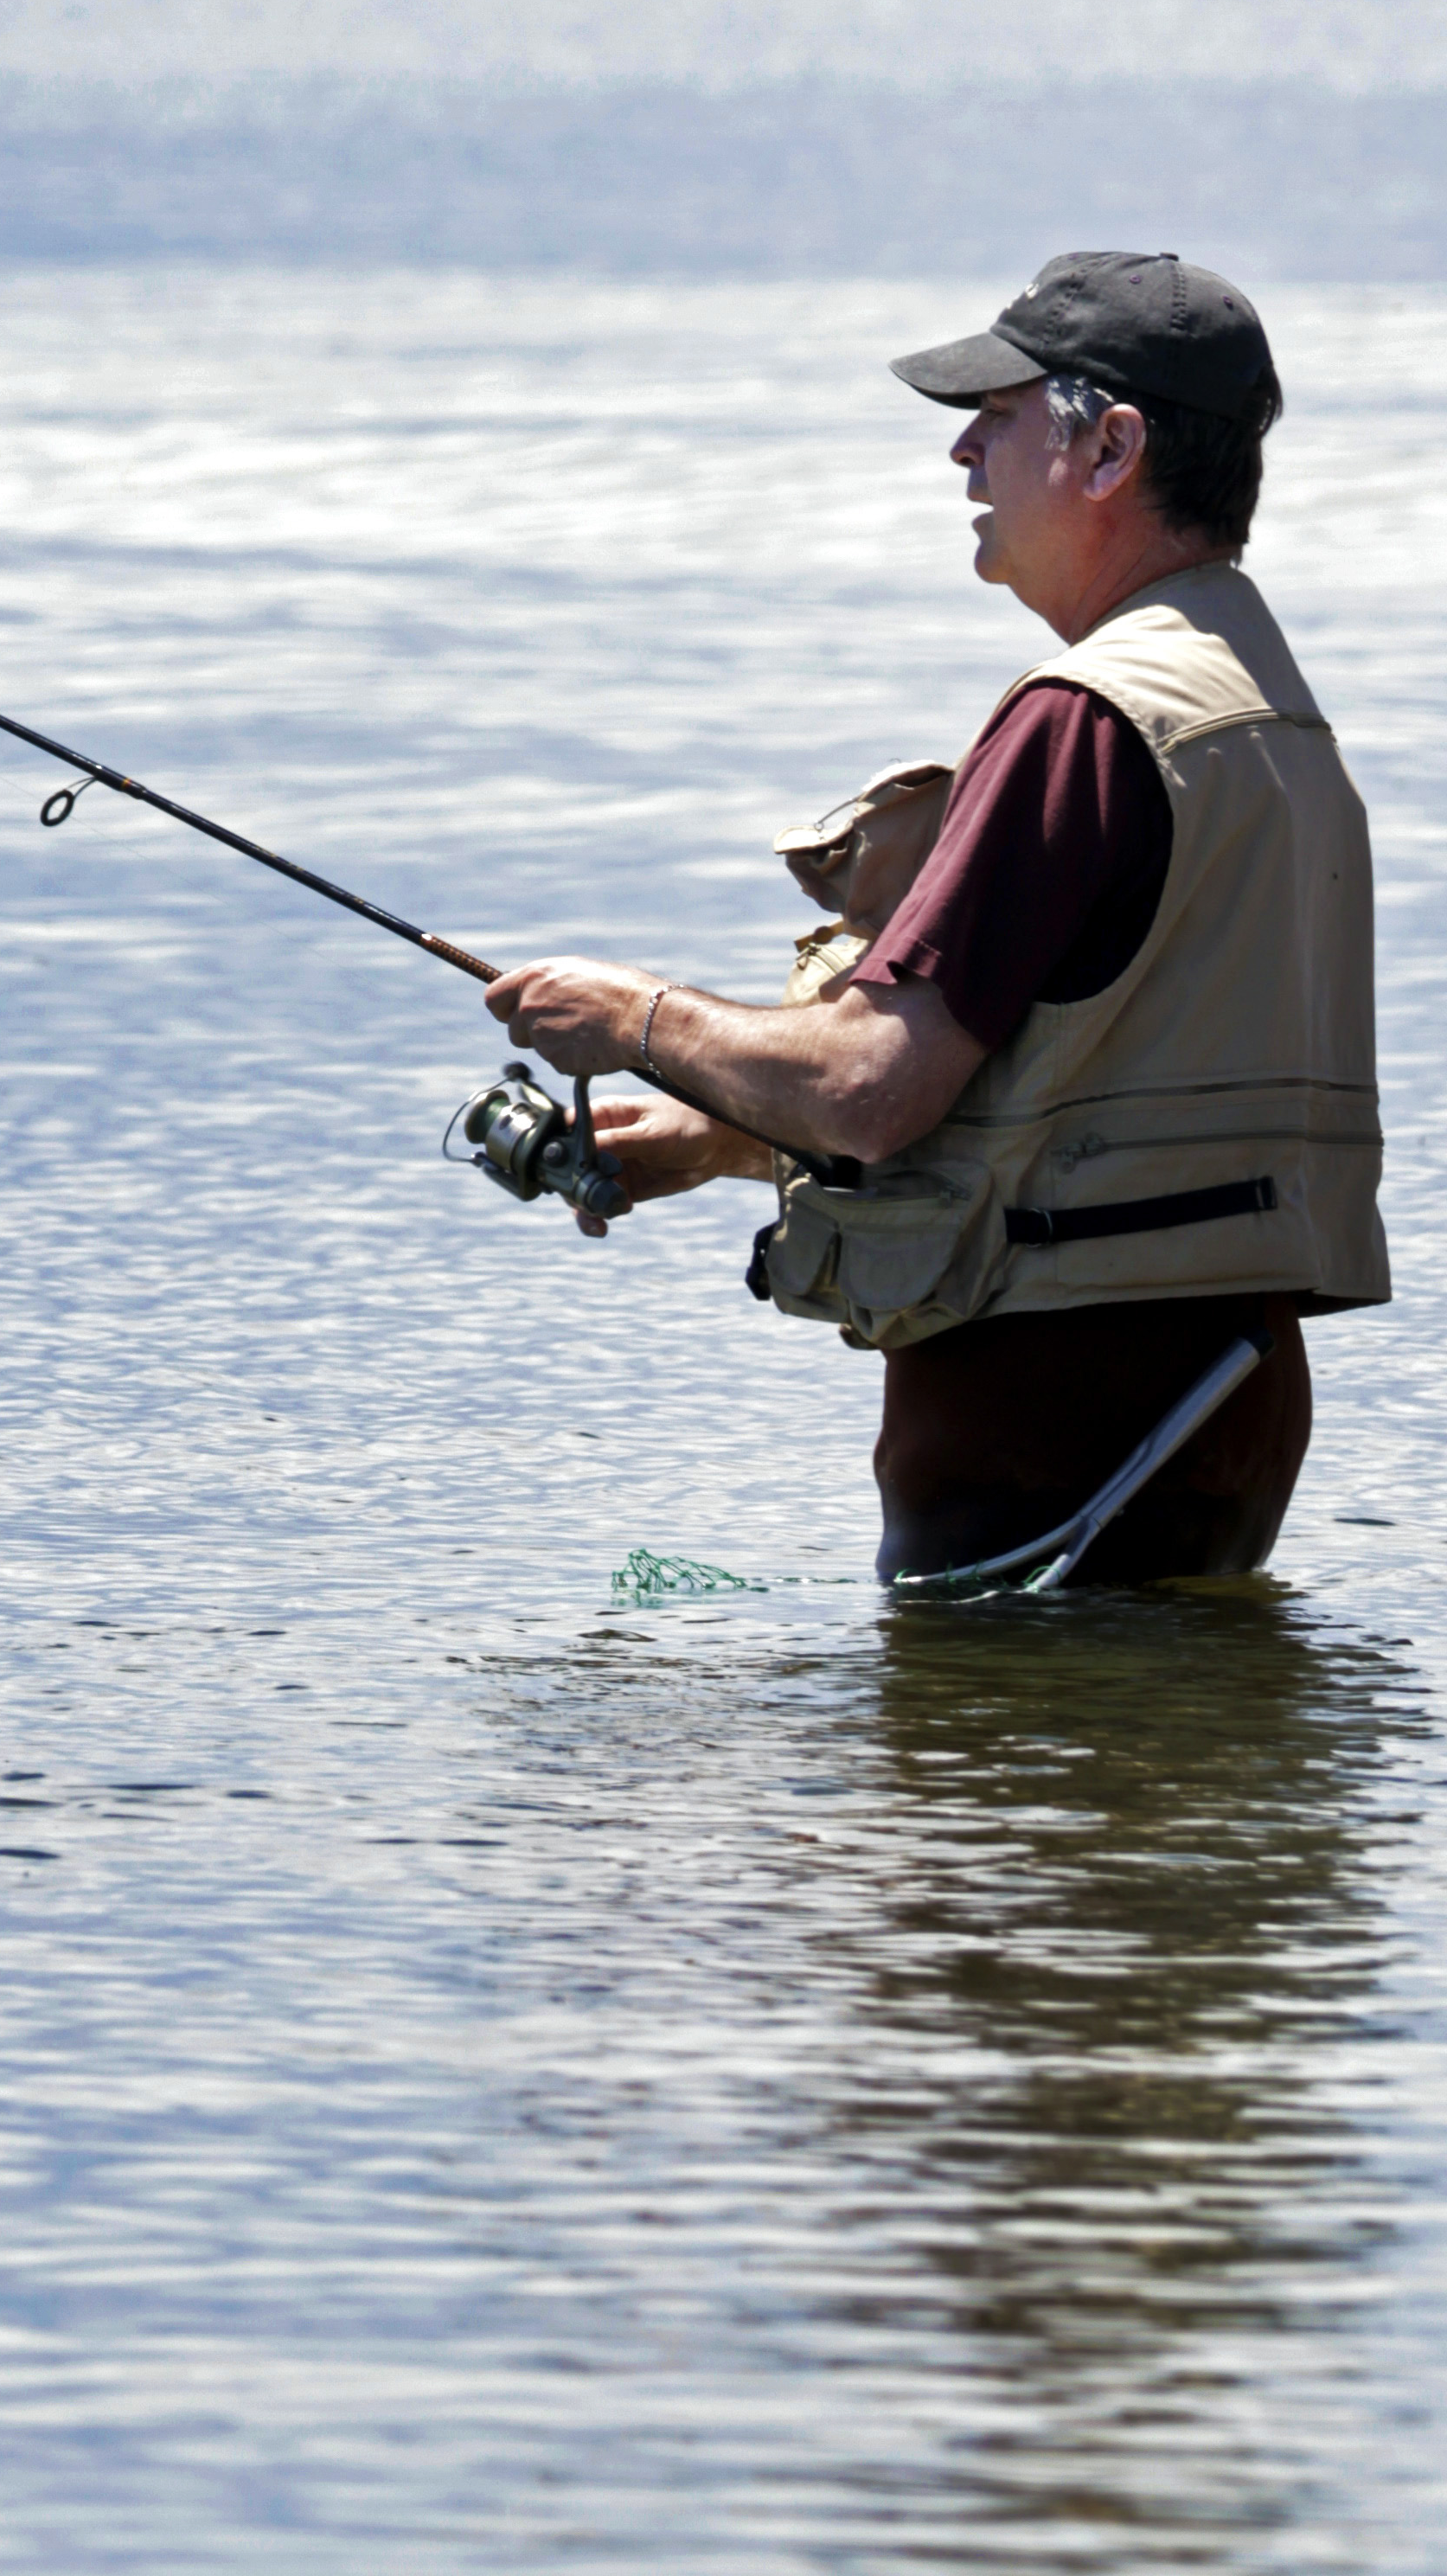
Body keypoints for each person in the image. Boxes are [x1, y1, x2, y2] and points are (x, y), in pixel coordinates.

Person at [483, 251, 1386, 1583]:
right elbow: (1100, 1102)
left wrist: (635, 1017)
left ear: (1112, 448)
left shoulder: (1080, 720)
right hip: (1221, 1408)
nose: (966, 452)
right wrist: (728, 1140)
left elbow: (869, 1086)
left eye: (1003, 415)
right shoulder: (1274, 716)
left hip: (1059, 1447)